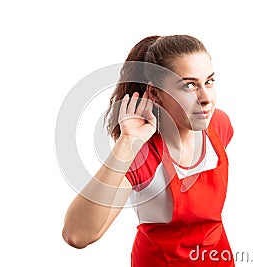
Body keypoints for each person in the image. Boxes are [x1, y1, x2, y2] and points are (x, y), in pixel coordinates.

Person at [62, 35, 235, 266]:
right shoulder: (144, 157)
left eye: (209, 82)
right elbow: (77, 235)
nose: (206, 99)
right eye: (189, 85)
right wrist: (128, 142)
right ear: (155, 94)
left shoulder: (218, 127)